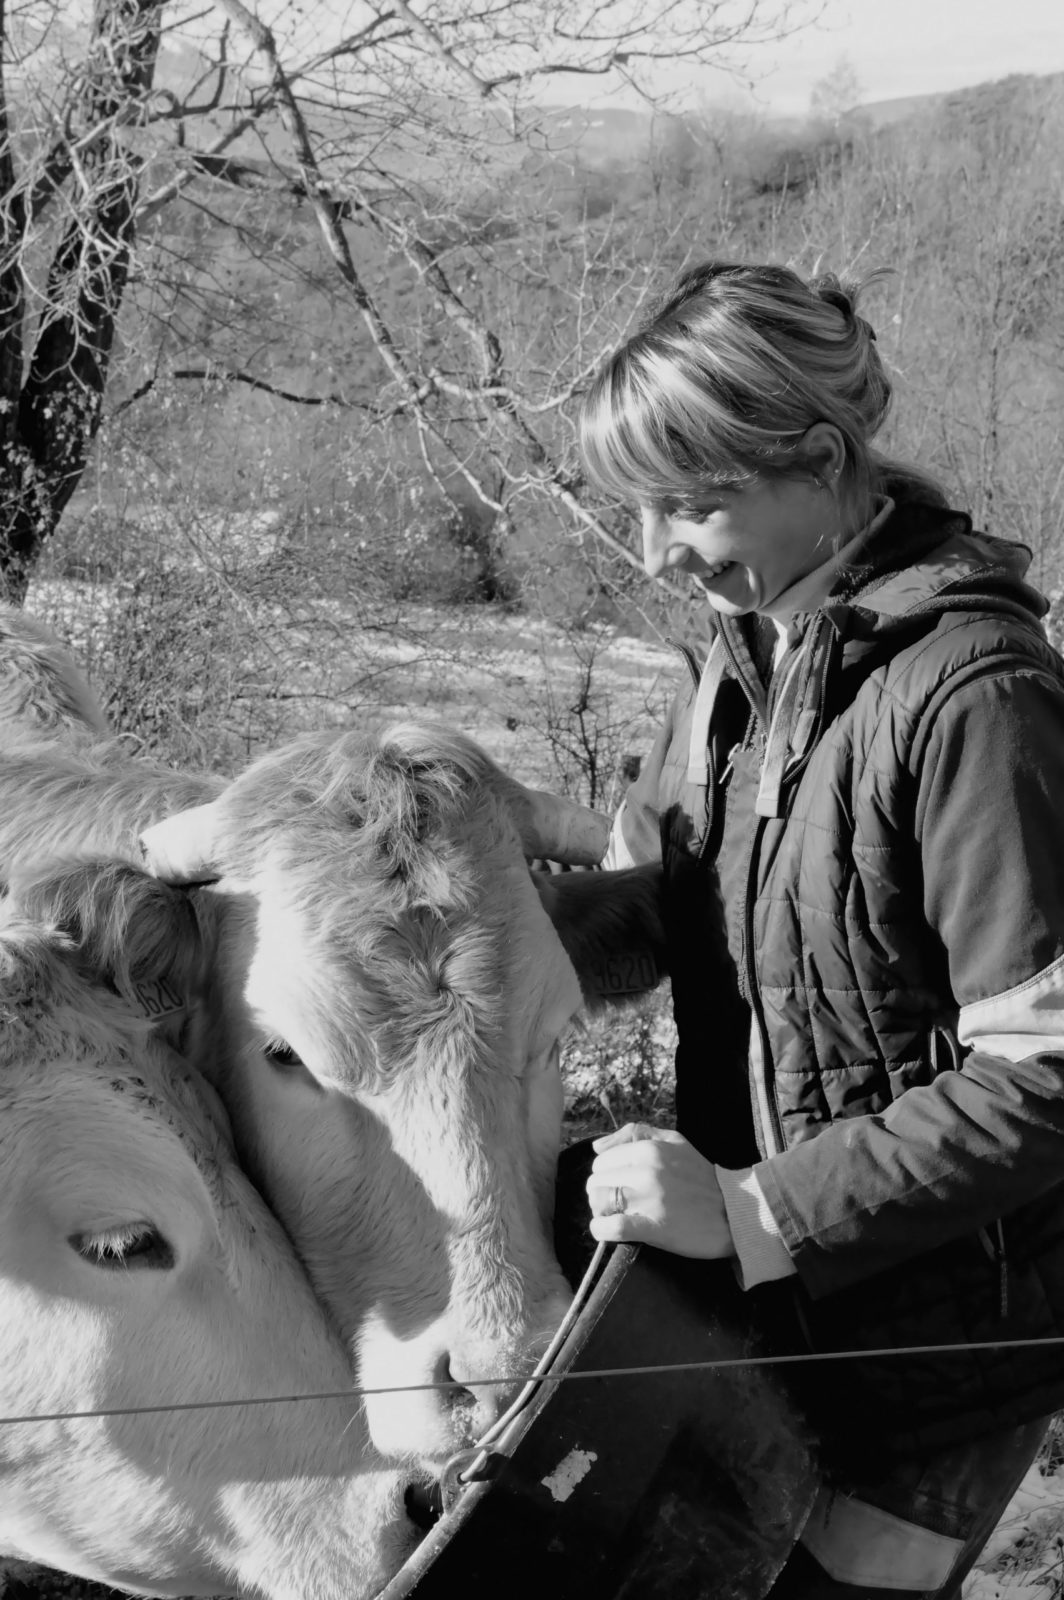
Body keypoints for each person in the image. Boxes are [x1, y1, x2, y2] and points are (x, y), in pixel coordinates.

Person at [576, 260, 1064, 1599]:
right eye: (642, 505)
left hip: (942, 1365)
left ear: (821, 462)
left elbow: (1045, 1080)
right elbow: (633, 929)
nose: (656, 547)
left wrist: (752, 1207)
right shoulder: (732, 676)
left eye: (696, 501)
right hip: (761, 1322)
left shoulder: (976, 698)